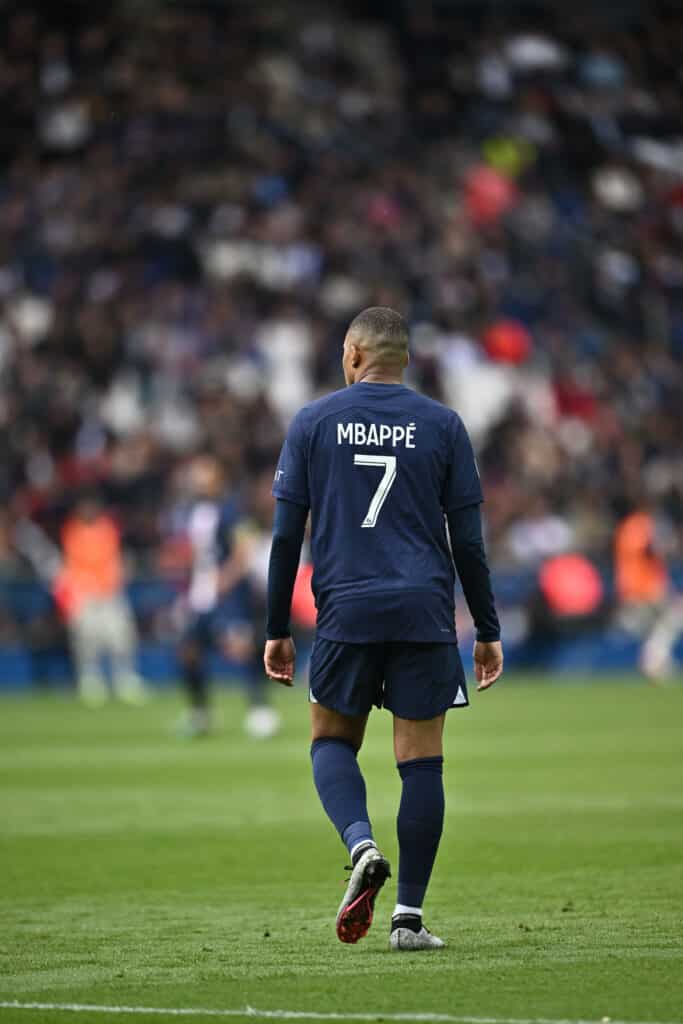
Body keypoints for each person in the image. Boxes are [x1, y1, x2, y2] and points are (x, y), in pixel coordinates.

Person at [264, 307, 503, 952]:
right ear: (406, 359)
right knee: (422, 762)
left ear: (351, 354)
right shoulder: (444, 425)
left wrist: (276, 627)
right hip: (424, 611)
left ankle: (360, 842)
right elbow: (470, 543)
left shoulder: (313, 422)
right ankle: (408, 919)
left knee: (331, 742)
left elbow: (287, 536)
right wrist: (486, 627)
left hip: (346, 609)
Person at [176, 455, 280, 738]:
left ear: (218, 478)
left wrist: (225, 579)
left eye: (204, 473)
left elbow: (244, 550)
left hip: (228, 595)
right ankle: (200, 714)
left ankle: (260, 711)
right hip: (200, 595)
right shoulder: (191, 511)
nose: (197, 479)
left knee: (240, 648)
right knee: (188, 651)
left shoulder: (233, 510)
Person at [57, 490, 146, 706]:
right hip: (85, 593)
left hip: (110, 591)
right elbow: (72, 564)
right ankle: (90, 681)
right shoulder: (72, 530)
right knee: (87, 640)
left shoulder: (108, 528)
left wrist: (119, 576)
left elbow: (115, 557)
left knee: (122, 637)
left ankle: (124, 679)